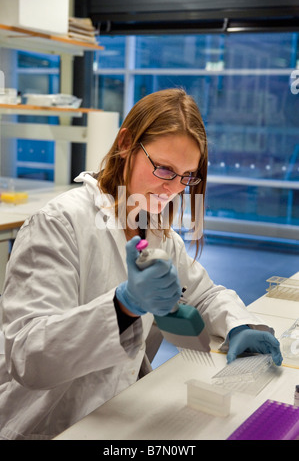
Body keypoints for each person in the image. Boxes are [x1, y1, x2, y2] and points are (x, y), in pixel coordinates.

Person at [0, 88, 282, 440]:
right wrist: (122, 306)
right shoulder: (60, 224)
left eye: (187, 176)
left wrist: (239, 325)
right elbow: (28, 358)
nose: (174, 189)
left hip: (124, 411)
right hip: (49, 424)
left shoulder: (158, 233)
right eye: (164, 168)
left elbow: (205, 295)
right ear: (126, 144)